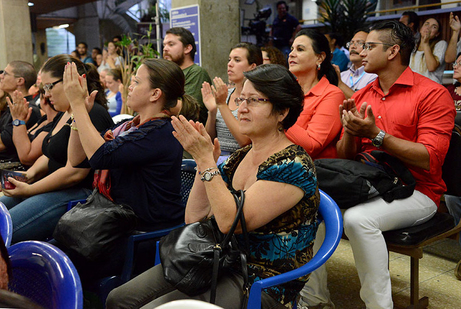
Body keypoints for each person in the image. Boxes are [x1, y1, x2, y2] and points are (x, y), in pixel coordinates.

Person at [105, 63, 319, 309]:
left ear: (282, 112)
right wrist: (201, 162)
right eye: (241, 99)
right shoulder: (242, 155)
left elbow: (231, 223)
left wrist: (207, 161)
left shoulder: (293, 166)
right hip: (215, 258)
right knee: (118, 299)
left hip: (261, 279)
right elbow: (194, 217)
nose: (242, 109)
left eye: (255, 101)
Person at [303, 20, 456, 309]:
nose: (360, 52)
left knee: (358, 220)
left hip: (419, 191)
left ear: (393, 52)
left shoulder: (432, 94)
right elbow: (347, 158)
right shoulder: (363, 95)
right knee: (306, 203)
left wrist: (376, 135)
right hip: (370, 185)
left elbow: (429, 158)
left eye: (369, 46)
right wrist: (350, 130)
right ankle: (314, 301)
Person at [60, 58, 187, 281]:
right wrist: (77, 115)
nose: (129, 85)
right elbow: (78, 158)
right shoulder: (129, 126)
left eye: (136, 81)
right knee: (53, 249)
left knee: (56, 267)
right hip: (113, 225)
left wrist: (79, 106)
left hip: (143, 236)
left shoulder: (160, 133)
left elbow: (100, 157)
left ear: (155, 94)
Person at [0, 55, 113, 244]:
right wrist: (28, 176)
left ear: (71, 82)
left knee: (3, 233)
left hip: (77, 193)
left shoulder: (91, 112)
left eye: (50, 86)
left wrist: (30, 189)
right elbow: (50, 152)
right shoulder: (63, 113)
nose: (46, 94)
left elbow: (74, 173)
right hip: (50, 186)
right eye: (44, 87)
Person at [286, 29, 345, 159]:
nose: (291, 54)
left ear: (320, 57)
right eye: (292, 49)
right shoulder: (285, 90)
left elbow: (312, 145)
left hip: (313, 172)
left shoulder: (332, 94)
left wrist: (278, 116)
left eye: (300, 49)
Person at [202, 43, 262, 160]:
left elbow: (245, 141)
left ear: (252, 67)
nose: (230, 64)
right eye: (229, 59)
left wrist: (222, 105)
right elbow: (208, 139)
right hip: (217, 158)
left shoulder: (257, 98)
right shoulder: (225, 94)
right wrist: (213, 111)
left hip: (242, 160)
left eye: (237, 60)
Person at [163, 27, 212, 124]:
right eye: (164, 45)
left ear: (187, 48)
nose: (165, 49)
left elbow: (188, 109)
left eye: (171, 44)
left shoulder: (196, 72)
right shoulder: (167, 74)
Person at [0, 61, 41, 168]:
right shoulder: (12, 107)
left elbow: (1, 144)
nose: (1, 76)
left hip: (12, 168)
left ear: (20, 81)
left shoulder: (28, 109)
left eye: (5, 73)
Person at [7, 86, 60, 167]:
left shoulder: (54, 124)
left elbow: (26, 158)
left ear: (44, 99)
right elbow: (17, 143)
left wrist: (18, 120)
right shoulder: (45, 119)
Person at [336, 30, 377, 99]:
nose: (353, 47)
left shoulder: (374, 76)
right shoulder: (342, 75)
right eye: (351, 43)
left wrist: (340, 83)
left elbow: (364, 104)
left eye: (359, 43)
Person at [409, 17, 447, 84]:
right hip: (413, 87)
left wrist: (425, 43)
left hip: (431, 88)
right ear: (420, 29)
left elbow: (431, 67)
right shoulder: (412, 45)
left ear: (437, 34)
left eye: (434, 27)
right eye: (426, 24)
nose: (428, 28)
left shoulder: (441, 44)